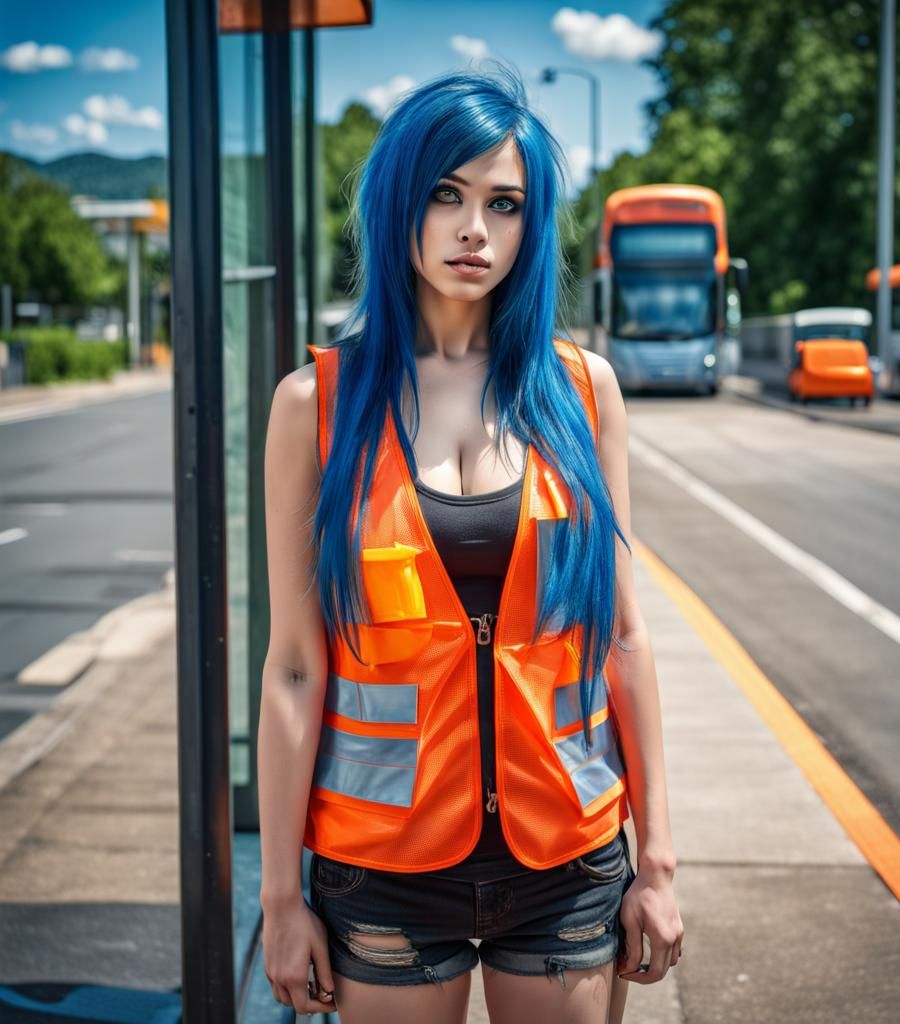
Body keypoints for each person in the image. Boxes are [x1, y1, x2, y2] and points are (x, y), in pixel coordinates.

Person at [258, 65, 684, 1024]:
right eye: (446, 195)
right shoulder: (312, 409)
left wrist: (655, 857)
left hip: (569, 857)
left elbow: (623, 635)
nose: (473, 230)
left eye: (504, 204)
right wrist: (281, 898)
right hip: (383, 867)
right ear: (399, 203)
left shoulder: (584, 394)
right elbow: (294, 667)